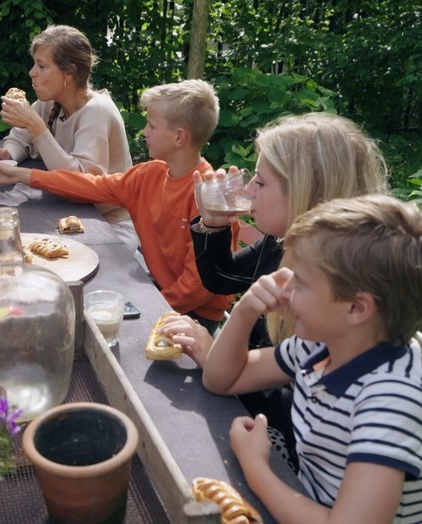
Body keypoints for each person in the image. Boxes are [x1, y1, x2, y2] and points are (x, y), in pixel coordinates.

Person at [160, 112, 390, 467]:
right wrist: (214, 225)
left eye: (261, 183)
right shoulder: (281, 242)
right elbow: (223, 278)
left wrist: (218, 356)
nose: (248, 189)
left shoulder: (337, 297)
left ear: (307, 192)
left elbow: (299, 410)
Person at [202, 194, 422, 523]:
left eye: (300, 282)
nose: (285, 292)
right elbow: (222, 380)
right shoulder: (324, 345)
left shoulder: (393, 400)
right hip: (303, 498)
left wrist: (256, 468)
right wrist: (246, 310)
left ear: (357, 308)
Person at [0, 79, 237, 331]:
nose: (144, 132)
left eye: (152, 126)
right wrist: (22, 175)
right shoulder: (149, 175)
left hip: (192, 315)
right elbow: (90, 185)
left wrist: (149, 308)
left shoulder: (209, 197)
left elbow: (197, 287)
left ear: (179, 137)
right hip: (157, 291)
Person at [0, 25, 134, 243]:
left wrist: (37, 128)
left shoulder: (96, 111)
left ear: (68, 74)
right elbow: (19, 139)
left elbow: (81, 185)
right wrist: (7, 155)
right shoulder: (50, 103)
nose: (32, 72)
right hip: (65, 215)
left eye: (41, 66)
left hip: (110, 226)